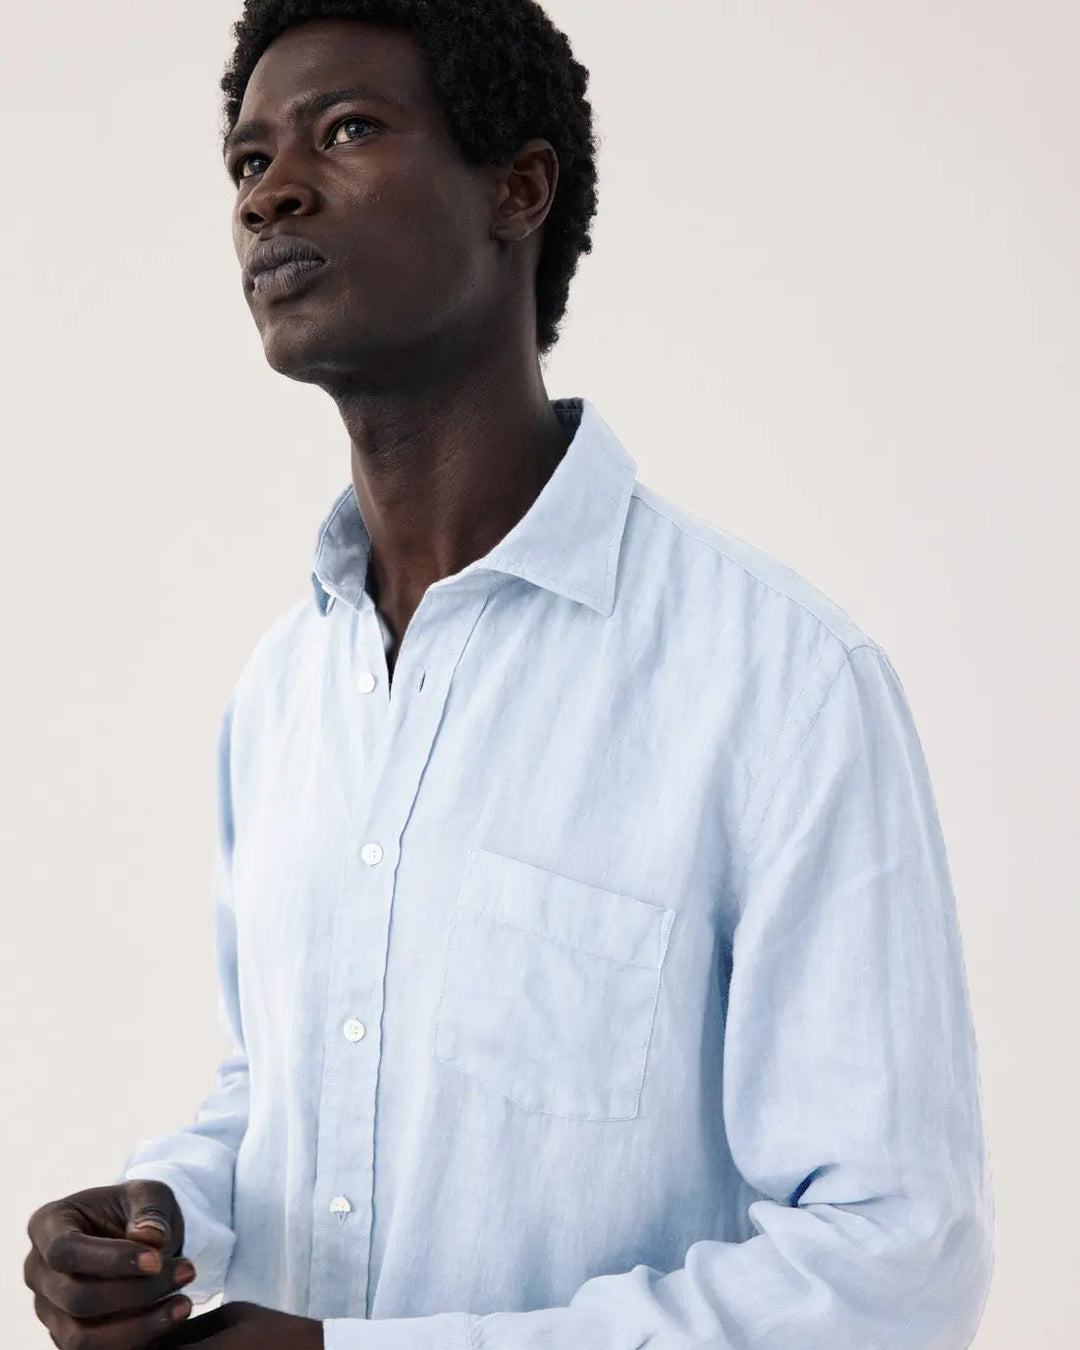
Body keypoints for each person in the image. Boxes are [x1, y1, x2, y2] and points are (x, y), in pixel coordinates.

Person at [24, 4, 994, 1349]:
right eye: (248, 163)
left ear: (516, 190)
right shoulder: (283, 693)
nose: (274, 194)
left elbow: (893, 1267)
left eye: (346, 130)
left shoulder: (781, 686)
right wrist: (167, 1209)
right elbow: (296, 1084)